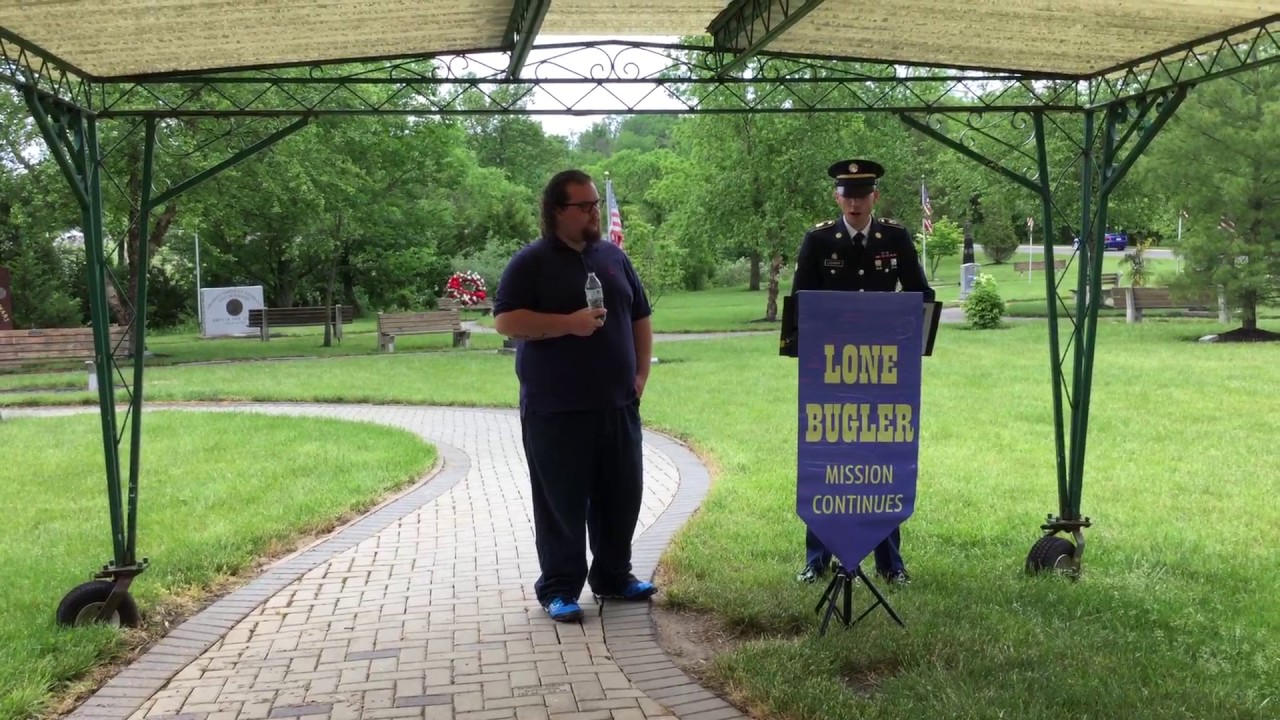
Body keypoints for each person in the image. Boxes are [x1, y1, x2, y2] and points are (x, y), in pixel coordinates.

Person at [492, 169, 657, 623]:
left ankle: (614, 576)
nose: (593, 213)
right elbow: (506, 322)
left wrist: (641, 373)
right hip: (557, 410)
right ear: (556, 211)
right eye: (583, 206)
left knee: (621, 497)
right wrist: (570, 322)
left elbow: (639, 315)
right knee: (561, 503)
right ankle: (559, 588)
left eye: (596, 206)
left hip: (618, 405)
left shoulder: (613, 257)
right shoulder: (531, 262)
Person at [789, 158, 935, 587]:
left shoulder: (895, 237)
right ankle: (816, 560)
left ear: (875, 196)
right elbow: (801, 302)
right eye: (847, 195)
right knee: (826, 460)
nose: (854, 203)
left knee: (882, 462)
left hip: (883, 373)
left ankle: (891, 564)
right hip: (830, 374)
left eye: (862, 194)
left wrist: (908, 338)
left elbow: (919, 296)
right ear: (837, 197)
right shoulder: (818, 240)